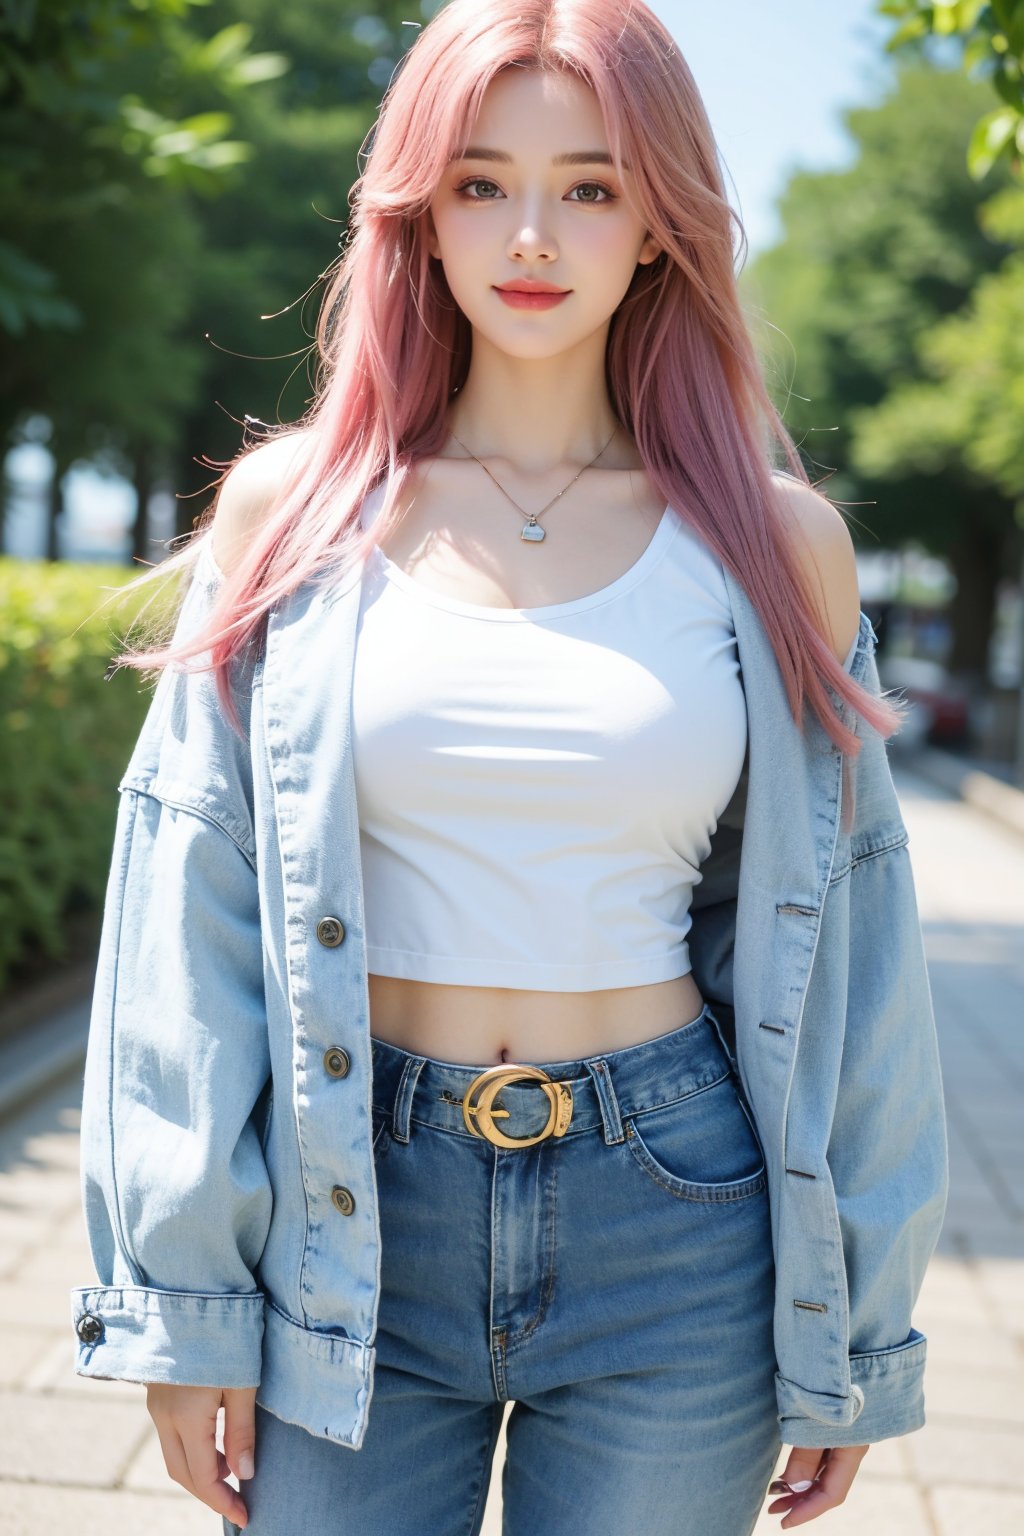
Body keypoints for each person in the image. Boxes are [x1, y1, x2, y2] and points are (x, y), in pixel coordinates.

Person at [69, 3, 948, 1533]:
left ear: (662, 223)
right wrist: (184, 1296)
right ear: (418, 206)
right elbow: (185, 914)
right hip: (354, 1206)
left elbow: (861, 957)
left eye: (592, 186)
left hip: (675, 1213)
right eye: (481, 182)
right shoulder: (297, 516)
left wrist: (859, 1333)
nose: (531, 233)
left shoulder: (775, 548)